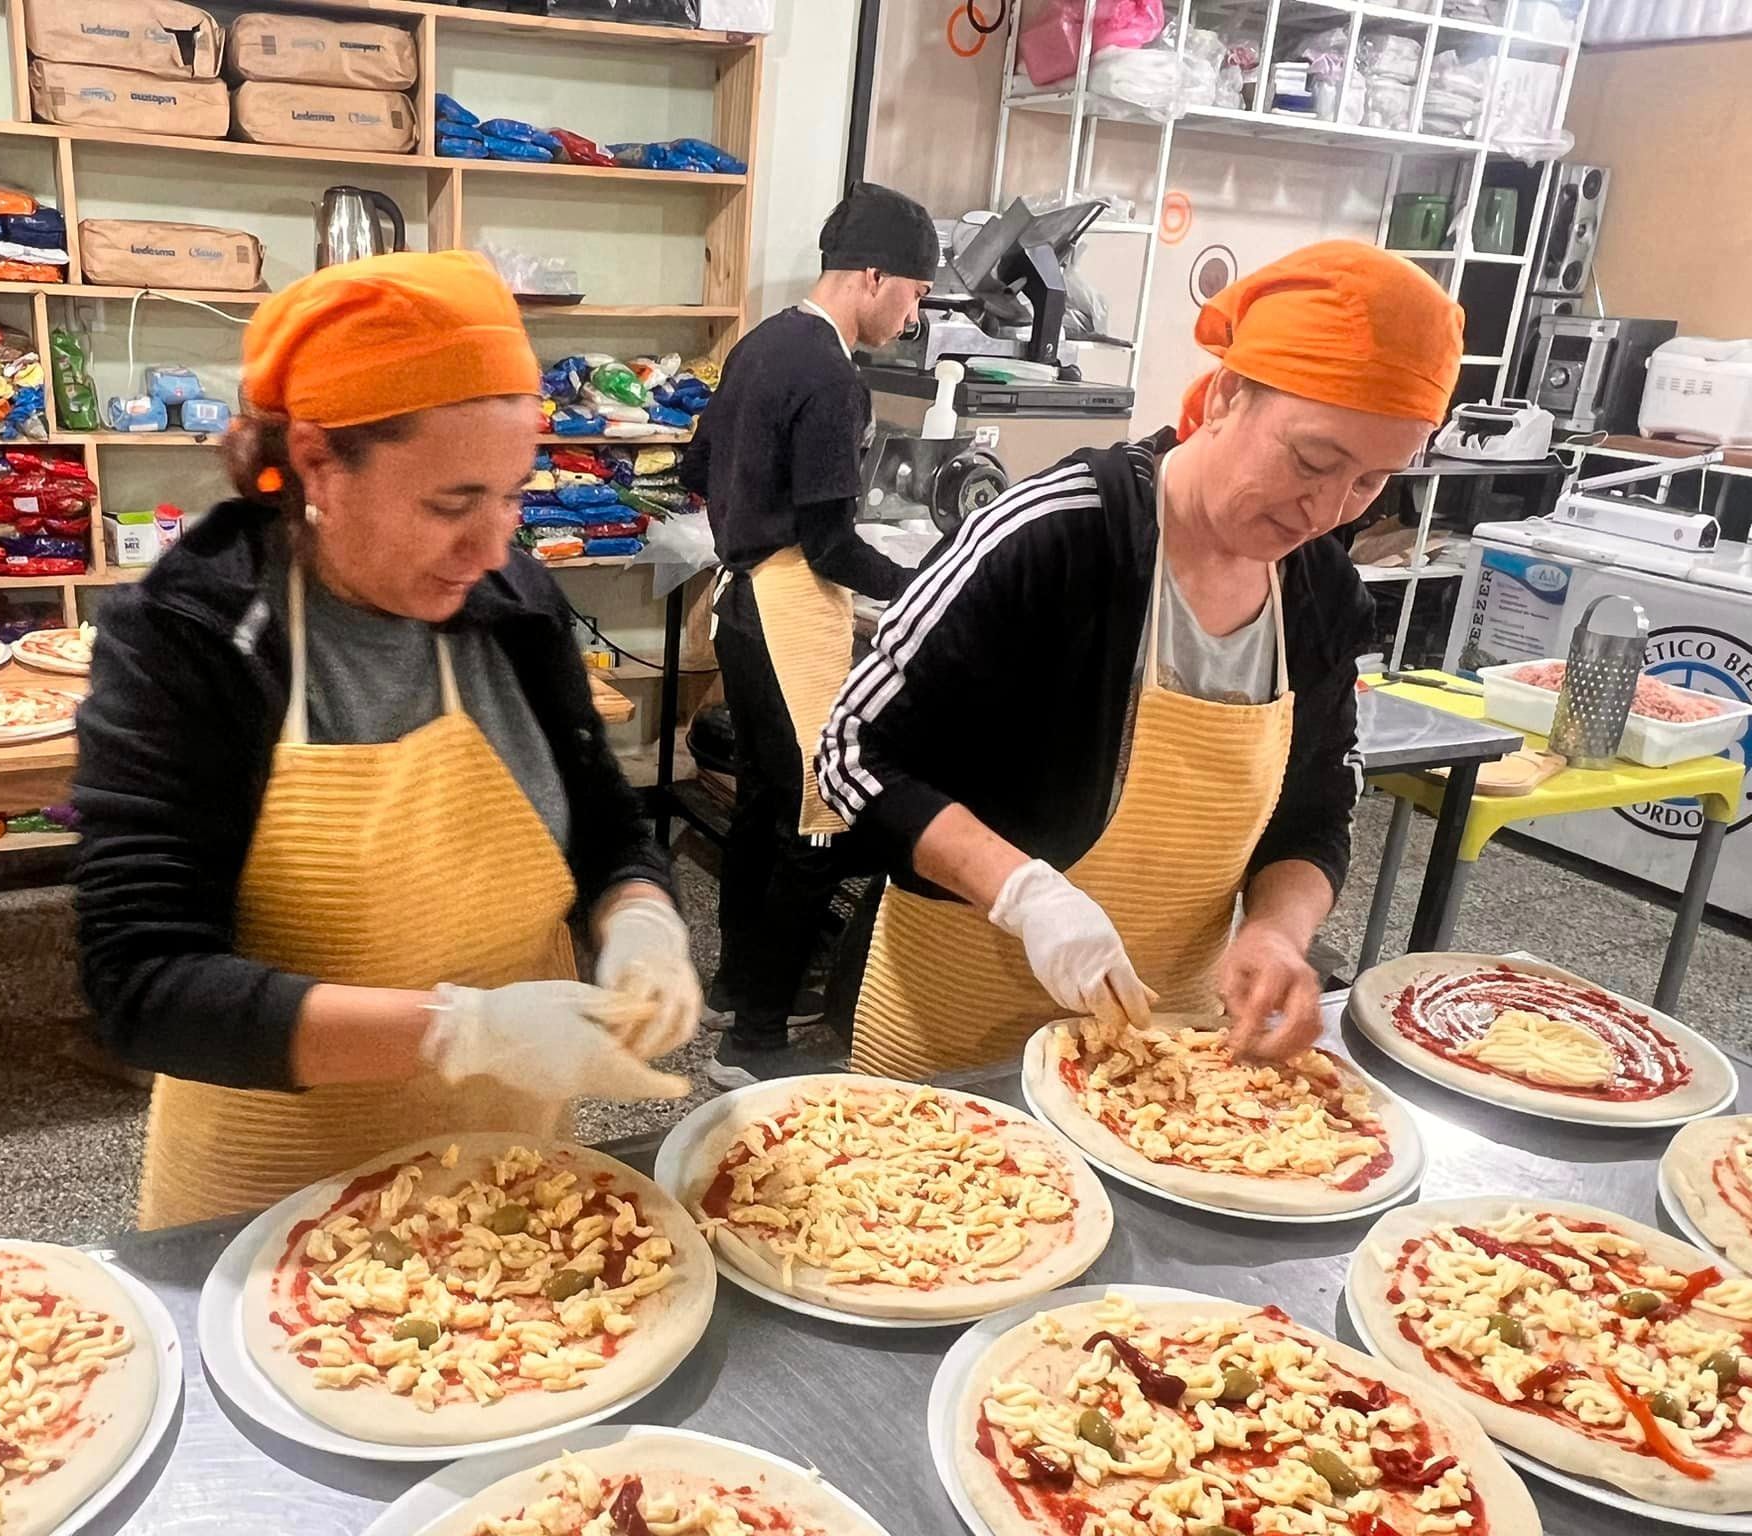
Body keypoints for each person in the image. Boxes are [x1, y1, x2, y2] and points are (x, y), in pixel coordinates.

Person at [73, 252, 703, 1229]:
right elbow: (145, 986)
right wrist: (461, 1030)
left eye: (512, 496)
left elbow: (604, 826)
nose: (494, 545)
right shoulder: (189, 634)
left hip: (512, 1172)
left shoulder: (512, 605)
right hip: (276, 1201)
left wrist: (641, 923)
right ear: (320, 460)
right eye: (451, 504)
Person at [815, 241, 1465, 1076]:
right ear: (1229, 395)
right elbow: (852, 754)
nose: (1327, 510)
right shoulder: (1058, 534)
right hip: (962, 1044)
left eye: (1372, 483)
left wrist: (1275, 930)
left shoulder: (1324, 595)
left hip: (1174, 1049)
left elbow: (1316, 809)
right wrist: (1025, 896)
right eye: (1312, 460)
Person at [681, 182, 938, 1088]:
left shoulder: (760, 343)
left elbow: (695, 464)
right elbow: (829, 545)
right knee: (813, 820)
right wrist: (922, 585)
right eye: (913, 293)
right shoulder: (832, 376)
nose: (914, 314)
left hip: (739, 602)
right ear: (872, 276)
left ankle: (735, 982)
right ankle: (752, 1042)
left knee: (758, 801)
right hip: (789, 610)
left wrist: (746, 527)